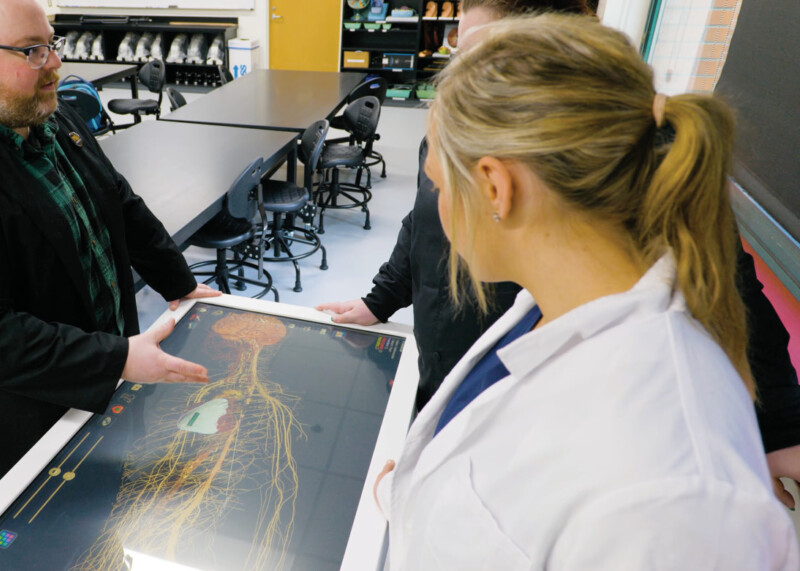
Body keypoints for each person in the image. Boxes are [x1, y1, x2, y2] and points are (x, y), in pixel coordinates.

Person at [319, 0, 800, 508]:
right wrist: (381, 300)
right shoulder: (531, 311)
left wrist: (780, 425)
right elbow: (421, 220)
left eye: (481, 50)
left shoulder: (639, 456)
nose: (460, 64)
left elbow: (728, 286)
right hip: (458, 369)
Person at [0, 0, 219, 524]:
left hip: (81, 357)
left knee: (99, 514)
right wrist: (114, 359)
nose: (54, 63)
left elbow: (117, 201)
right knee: (34, 528)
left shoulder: (48, 114)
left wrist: (180, 285)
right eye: (31, 51)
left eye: (51, 43)